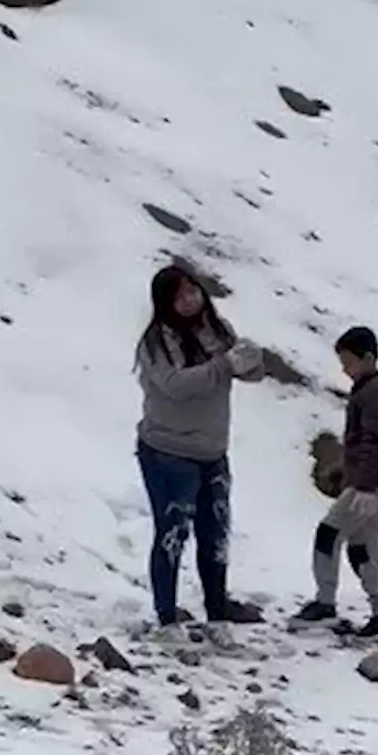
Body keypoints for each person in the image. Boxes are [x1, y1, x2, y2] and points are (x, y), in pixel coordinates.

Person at [135, 262, 264, 629]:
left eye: (193, 290)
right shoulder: (157, 342)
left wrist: (251, 364)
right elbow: (174, 385)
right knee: (172, 533)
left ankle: (218, 609)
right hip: (168, 450)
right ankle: (166, 616)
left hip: (212, 450)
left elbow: (242, 372)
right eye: (180, 296)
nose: (191, 300)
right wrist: (224, 364)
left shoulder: (217, 329)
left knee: (215, 533)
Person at [294, 325, 378, 639]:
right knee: (363, 547)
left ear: (368, 357)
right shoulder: (372, 388)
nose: (344, 369)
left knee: (328, 533)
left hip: (369, 488)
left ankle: (325, 604)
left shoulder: (374, 393)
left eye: (348, 361)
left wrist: (364, 486)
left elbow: (373, 442)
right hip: (375, 486)